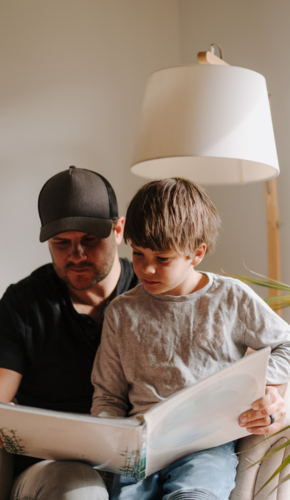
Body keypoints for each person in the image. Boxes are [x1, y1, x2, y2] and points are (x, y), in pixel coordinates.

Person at [91, 177, 290, 500]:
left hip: (207, 446)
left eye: (163, 259)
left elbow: (286, 345)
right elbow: (108, 397)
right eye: (138, 254)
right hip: (142, 451)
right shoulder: (120, 313)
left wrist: (259, 383)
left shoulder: (230, 298)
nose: (146, 269)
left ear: (196, 253)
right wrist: (113, 442)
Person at [0, 166, 139, 500]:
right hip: (54, 472)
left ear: (118, 230)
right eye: (61, 243)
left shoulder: (156, 293)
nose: (76, 255)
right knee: (76, 487)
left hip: (140, 466)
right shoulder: (24, 304)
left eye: (89, 240)